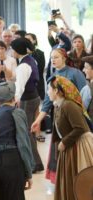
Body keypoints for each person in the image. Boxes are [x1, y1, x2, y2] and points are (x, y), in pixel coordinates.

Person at [31, 48, 87, 184]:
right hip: (60, 117)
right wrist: (38, 120)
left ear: (64, 58)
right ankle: (64, 180)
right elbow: (47, 102)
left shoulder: (75, 73)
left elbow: (84, 95)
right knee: (60, 148)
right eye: (51, 58)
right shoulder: (53, 74)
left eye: (56, 57)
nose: (53, 60)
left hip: (74, 117)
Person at [47, 76, 93, 200]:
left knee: (76, 180)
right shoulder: (58, 105)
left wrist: (65, 142)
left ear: (56, 91)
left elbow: (80, 128)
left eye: (49, 89)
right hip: (69, 147)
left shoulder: (68, 105)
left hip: (77, 147)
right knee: (68, 179)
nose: (47, 92)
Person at [0, 82, 34, 200]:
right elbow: (23, 144)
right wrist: (28, 172)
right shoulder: (17, 112)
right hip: (11, 160)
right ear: (14, 97)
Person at [11, 38, 44, 173]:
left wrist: (15, 101)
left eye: (13, 49)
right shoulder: (31, 60)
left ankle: (36, 163)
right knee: (29, 130)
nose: (11, 51)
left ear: (18, 50)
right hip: (34, 97)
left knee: (26, 132)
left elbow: (19, 87)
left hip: (27, 100)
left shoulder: (23, 66)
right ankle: (33, 161)